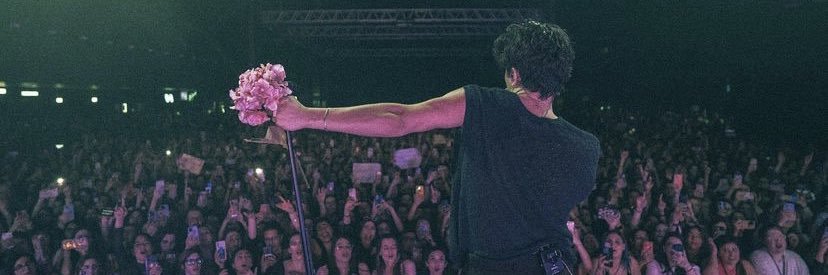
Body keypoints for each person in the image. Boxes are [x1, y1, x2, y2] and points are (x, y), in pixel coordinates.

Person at [272, 20, 600, 274]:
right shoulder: (587, 148)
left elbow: (401, 119)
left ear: (513, 74)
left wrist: (307, 116)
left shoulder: (485, 105)